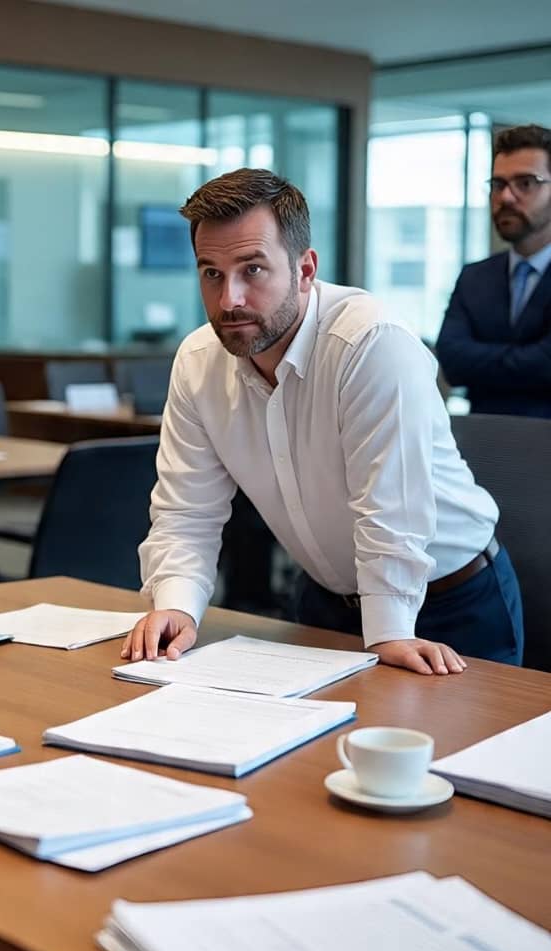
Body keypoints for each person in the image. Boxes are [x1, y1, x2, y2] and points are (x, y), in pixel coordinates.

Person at [124, 168, 524, 674]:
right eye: (212, 273)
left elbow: (390, 507)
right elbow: (187, 509)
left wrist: (390, 630)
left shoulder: (371, 343)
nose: (230, 300)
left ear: (305, 269)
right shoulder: (199, 360)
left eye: (252, 269)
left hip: (451, 600)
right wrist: (176, 605)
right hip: (325, 599)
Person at [437, 123, 551, 417]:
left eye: (525, 183)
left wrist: (483, 362)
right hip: (483, 450)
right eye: (498, 184)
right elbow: (451, 359)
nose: (506, 197)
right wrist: (532, 363)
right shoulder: (475, 277)